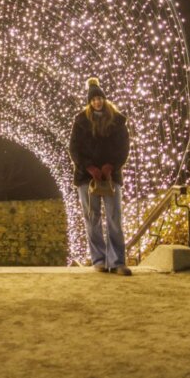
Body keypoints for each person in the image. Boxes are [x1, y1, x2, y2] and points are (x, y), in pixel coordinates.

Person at [69, 77, 132, 276]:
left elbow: (123, 147)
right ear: (89, 102)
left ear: (104, 99)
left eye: (99, 98)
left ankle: (117, 261)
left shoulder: (117, 120)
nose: (97, 102)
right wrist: (89, 167)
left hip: (111, 176)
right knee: (92, 218)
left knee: (114, 217)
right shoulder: (81, 121)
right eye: (93, 99)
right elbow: (74, 149)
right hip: (87, 177)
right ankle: (99, 259)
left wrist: (111, 166)